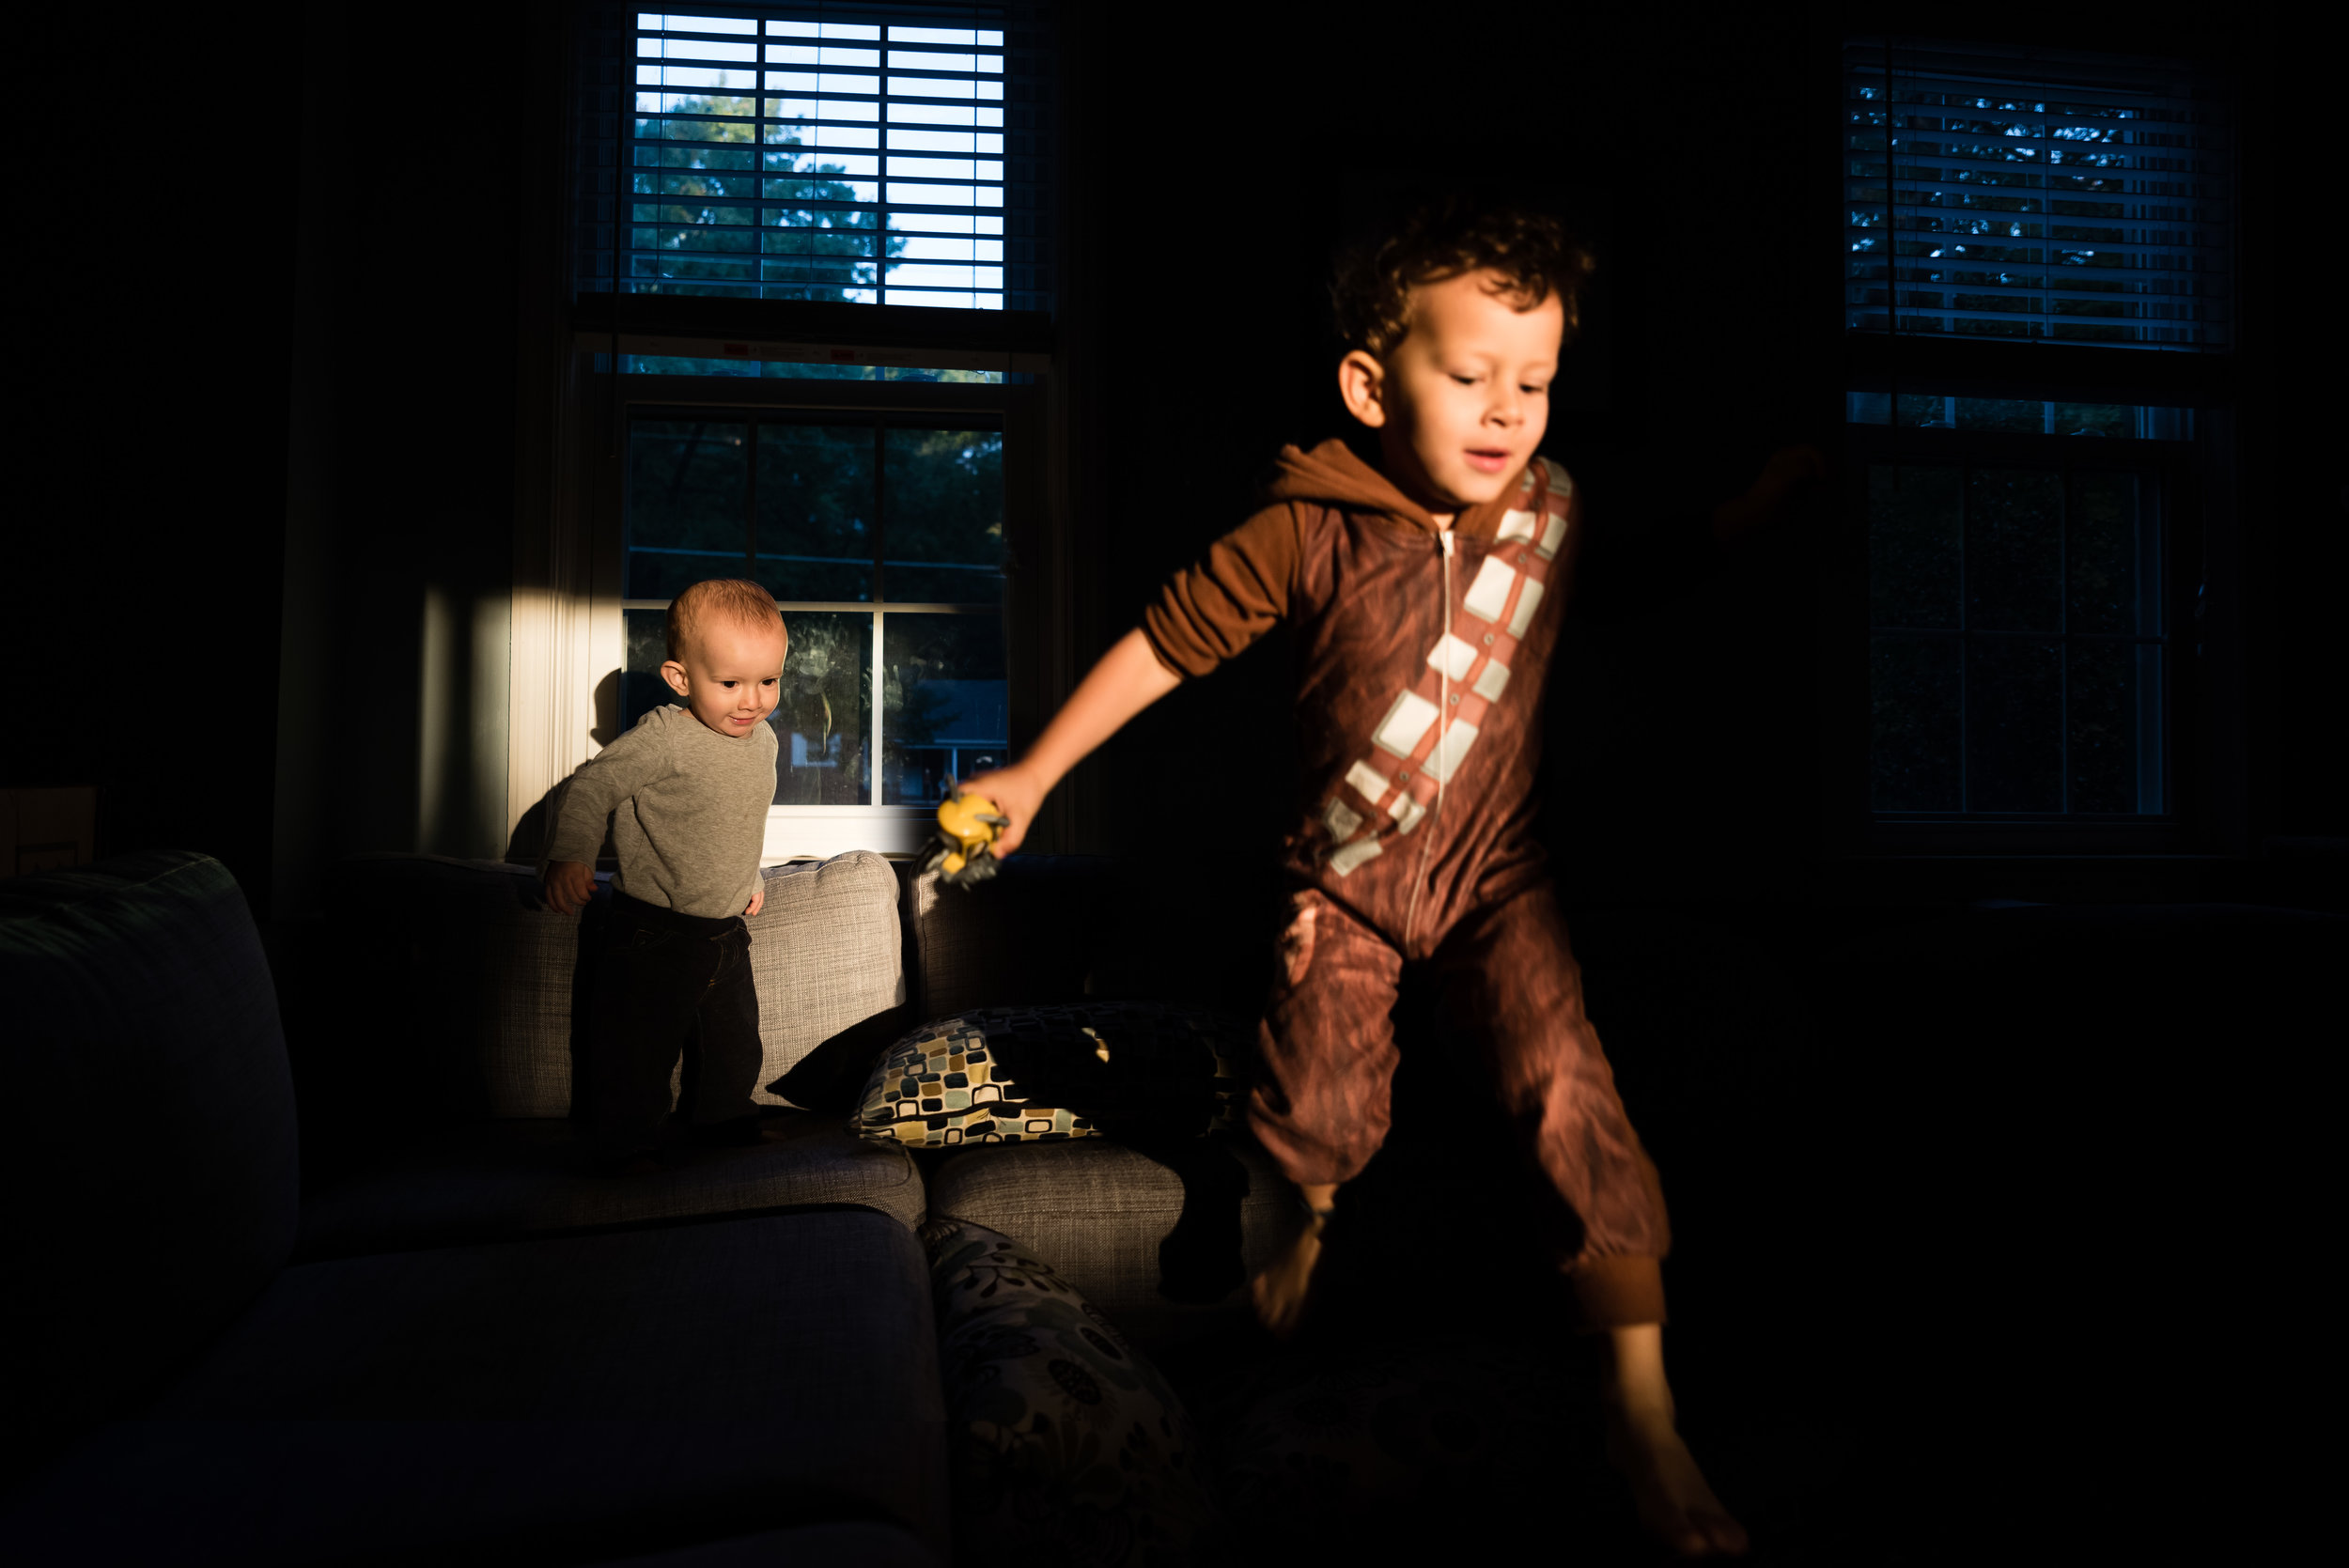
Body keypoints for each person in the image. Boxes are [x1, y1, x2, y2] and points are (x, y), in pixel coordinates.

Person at [960, 199, 1820, 1558]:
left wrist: (1742, 519)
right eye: (1468, 374)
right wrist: (1032, 774)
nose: (1506, 410)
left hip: (1494, 877)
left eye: (1532, 381)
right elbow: (1164, 644)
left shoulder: (1550, 514)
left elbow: (1634, 575)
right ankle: (1305, 1211)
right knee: (1324, 1086)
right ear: (1371, 382)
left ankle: (1645, 1414)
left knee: (1568, 1086)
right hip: (1346, 875)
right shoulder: (1304, 528)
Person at [540, 579, 788, 1174]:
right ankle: (625, 1143)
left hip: (726, 933)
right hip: (653, 932)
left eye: (768, 681)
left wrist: (749, 873)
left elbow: (738, 816)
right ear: (681, 679)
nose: (751, 700)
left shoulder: (764, 743)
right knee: (636, 1049)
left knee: (735, 1042)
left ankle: (724, 1119)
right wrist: (571, 854)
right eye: (730, 683)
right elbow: (589, 789)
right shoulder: (663, 738)